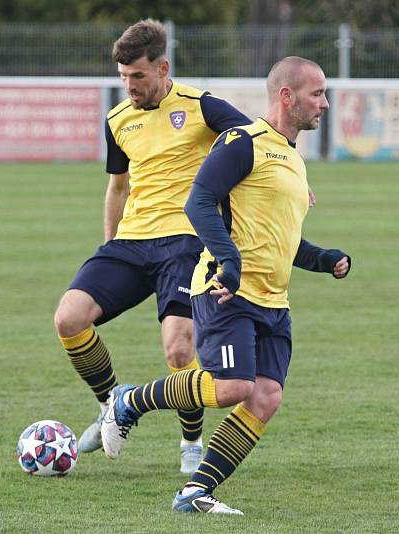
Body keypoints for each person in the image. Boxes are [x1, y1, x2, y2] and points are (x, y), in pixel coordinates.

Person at [100, 56, 351, 515]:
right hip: (225, 291)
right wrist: (229, 261)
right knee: (233, 386)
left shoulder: (292, 159)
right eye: (317, 94)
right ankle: (128, 399)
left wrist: (324, 259)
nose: (326, 104)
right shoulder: (243, 142)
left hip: (273, 300)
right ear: (287, 96)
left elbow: (281, 238)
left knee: (266, 397)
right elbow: (198, 202)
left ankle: (194, 492)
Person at [53, 19, 250, 475]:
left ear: (163, 68)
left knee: (179, 351)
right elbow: (117, 188)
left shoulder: (202, 107)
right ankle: (111, 407)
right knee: (69, 317)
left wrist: (292, 177)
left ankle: (191, 443)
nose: (129, 86)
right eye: (122, 78)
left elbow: (254, 142)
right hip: (132, 243)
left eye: (138, 76)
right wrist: (109, 246)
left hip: (187, 243)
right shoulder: (118, 120)